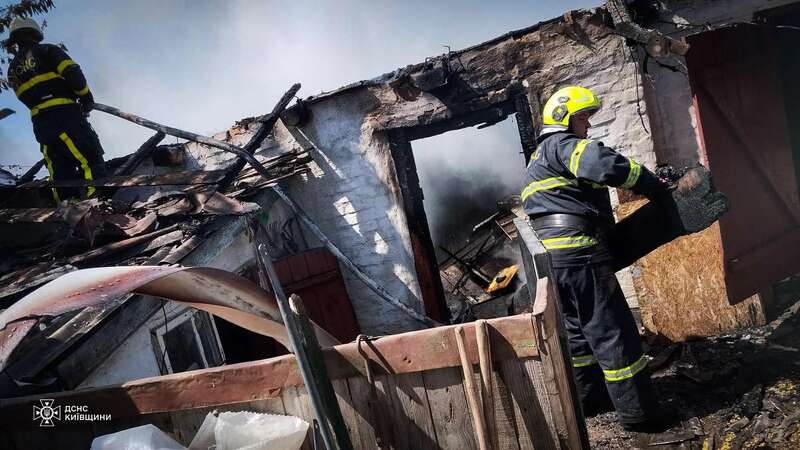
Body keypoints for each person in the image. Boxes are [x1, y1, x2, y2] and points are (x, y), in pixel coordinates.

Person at [521, 85, 673, 432]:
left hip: (556, 263)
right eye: (583, 118)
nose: (587, 127)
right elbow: (605, 166)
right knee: (612, 332)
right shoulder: (565, 147)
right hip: (581, 254)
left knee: (578, 333)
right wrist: (651, 184)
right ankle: (640, 416)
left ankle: (590, 399)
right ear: (565, 119)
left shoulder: (538, 159)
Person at [6, 17, 105, 203]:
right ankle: (98, 202)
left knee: (59, 169)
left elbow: (22, 96)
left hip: (41, 123)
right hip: (65, 115)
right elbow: (73, 72)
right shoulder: (47, 50)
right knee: (89, 158)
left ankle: (67, 210)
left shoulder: (12, 69)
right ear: (34, 33)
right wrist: (85, 97)